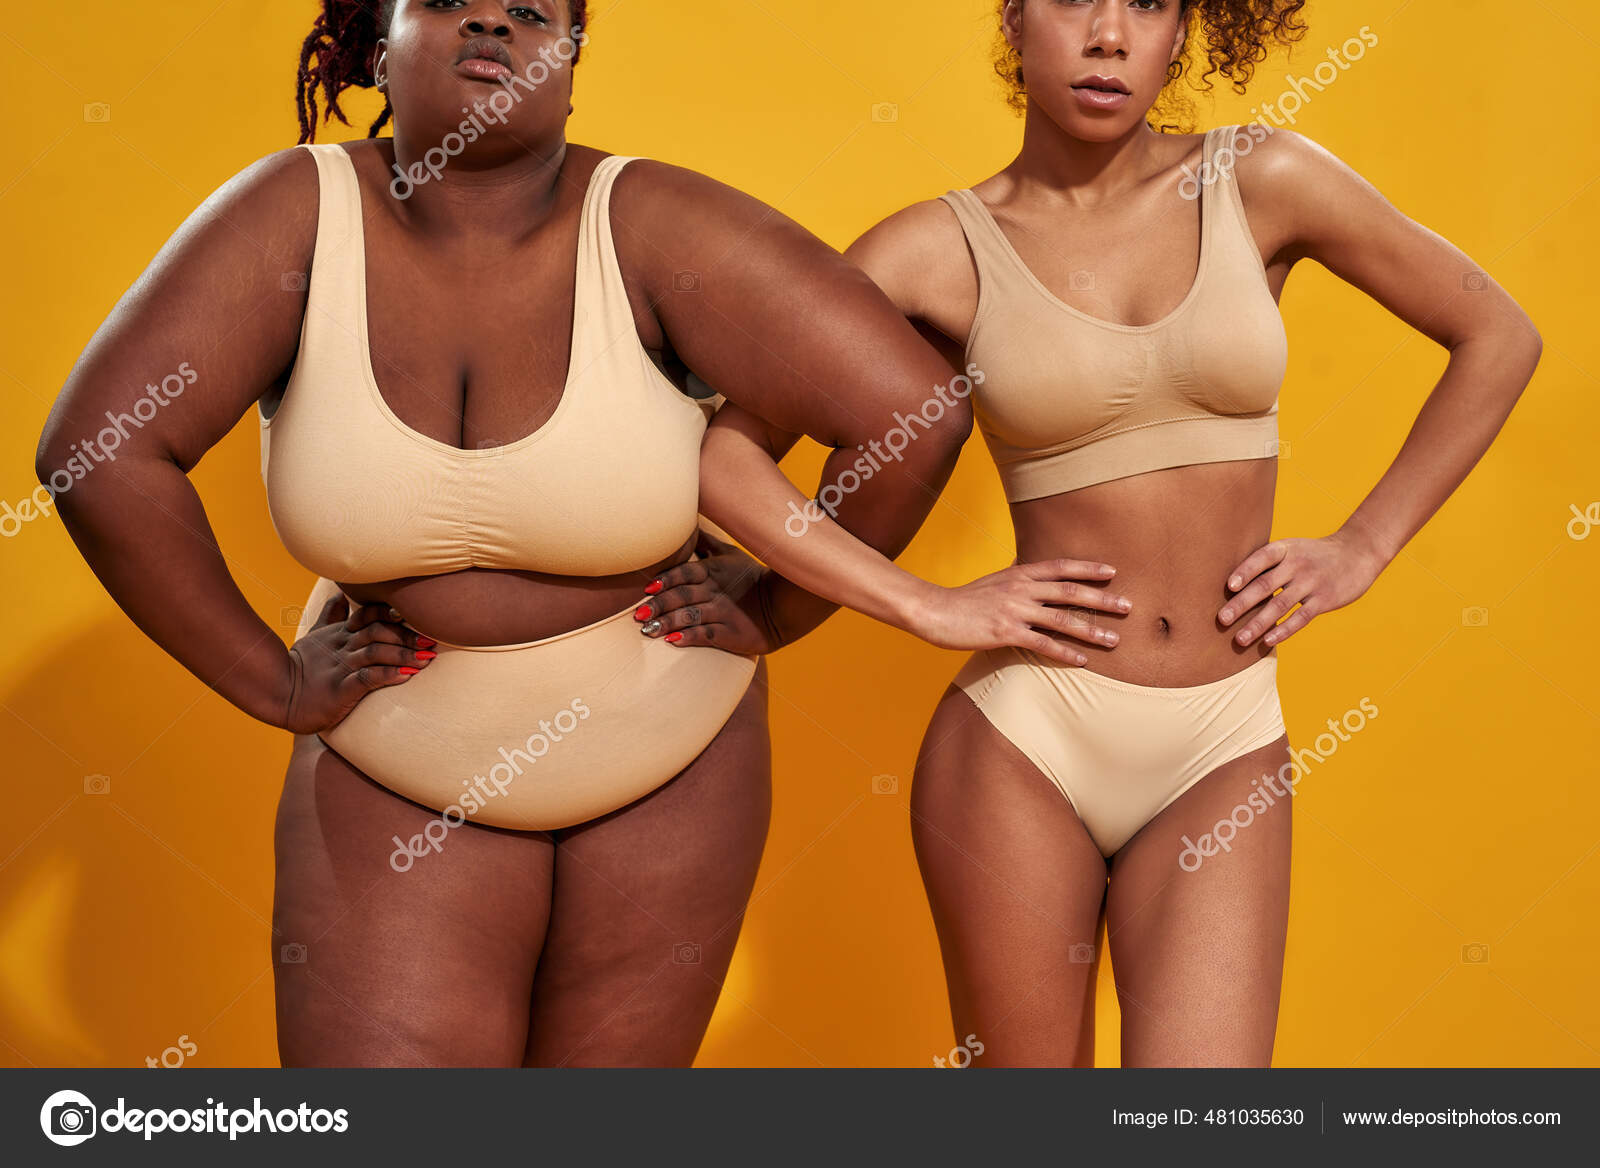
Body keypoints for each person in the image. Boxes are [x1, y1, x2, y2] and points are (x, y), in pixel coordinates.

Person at [34, 0, 1125, 1067]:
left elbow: (909, 410)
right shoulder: (293, 214)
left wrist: (779, 606)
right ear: (375, 36)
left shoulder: (650, 223)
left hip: (667, 763)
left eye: (532, 11)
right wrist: (270, 682)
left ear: (571, 58)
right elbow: (98, 454)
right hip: (395, 767)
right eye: (450, 0)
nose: (494, 26)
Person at [836, 0, 1541, 1065]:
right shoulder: (934, 248)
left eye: (1151, 3)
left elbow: (1497, 332)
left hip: (1223, 738)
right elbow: (730, 452)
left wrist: (1364, 544)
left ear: (1186, 33)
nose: (1110, 33)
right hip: (1027, 738)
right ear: (1017, 20)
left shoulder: (1262, 179)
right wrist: (921, 602)